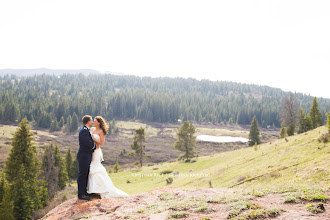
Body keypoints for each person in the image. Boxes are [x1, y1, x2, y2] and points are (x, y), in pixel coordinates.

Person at [88, 116, 129, 198]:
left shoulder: (101, 131)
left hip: (96, 151)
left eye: (95, 121)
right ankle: (94, 190)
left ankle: (102, 189)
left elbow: (101, 143)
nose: (93, 122)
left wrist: (93, 139)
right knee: (90, 167)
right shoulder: (92, 129)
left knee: (95, 168)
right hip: (90, 151)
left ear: (99, 122)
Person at [77, 115, 96, 201]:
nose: (92, 122)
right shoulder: (84, 131)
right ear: (88, 121)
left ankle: (84, 191)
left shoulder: (86, 130)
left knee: (85, 173)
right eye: (91, 120)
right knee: (82, 174)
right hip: (84, 155)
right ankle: (81, 193)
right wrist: (94, 146)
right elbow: (87, 143)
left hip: (86, 155)